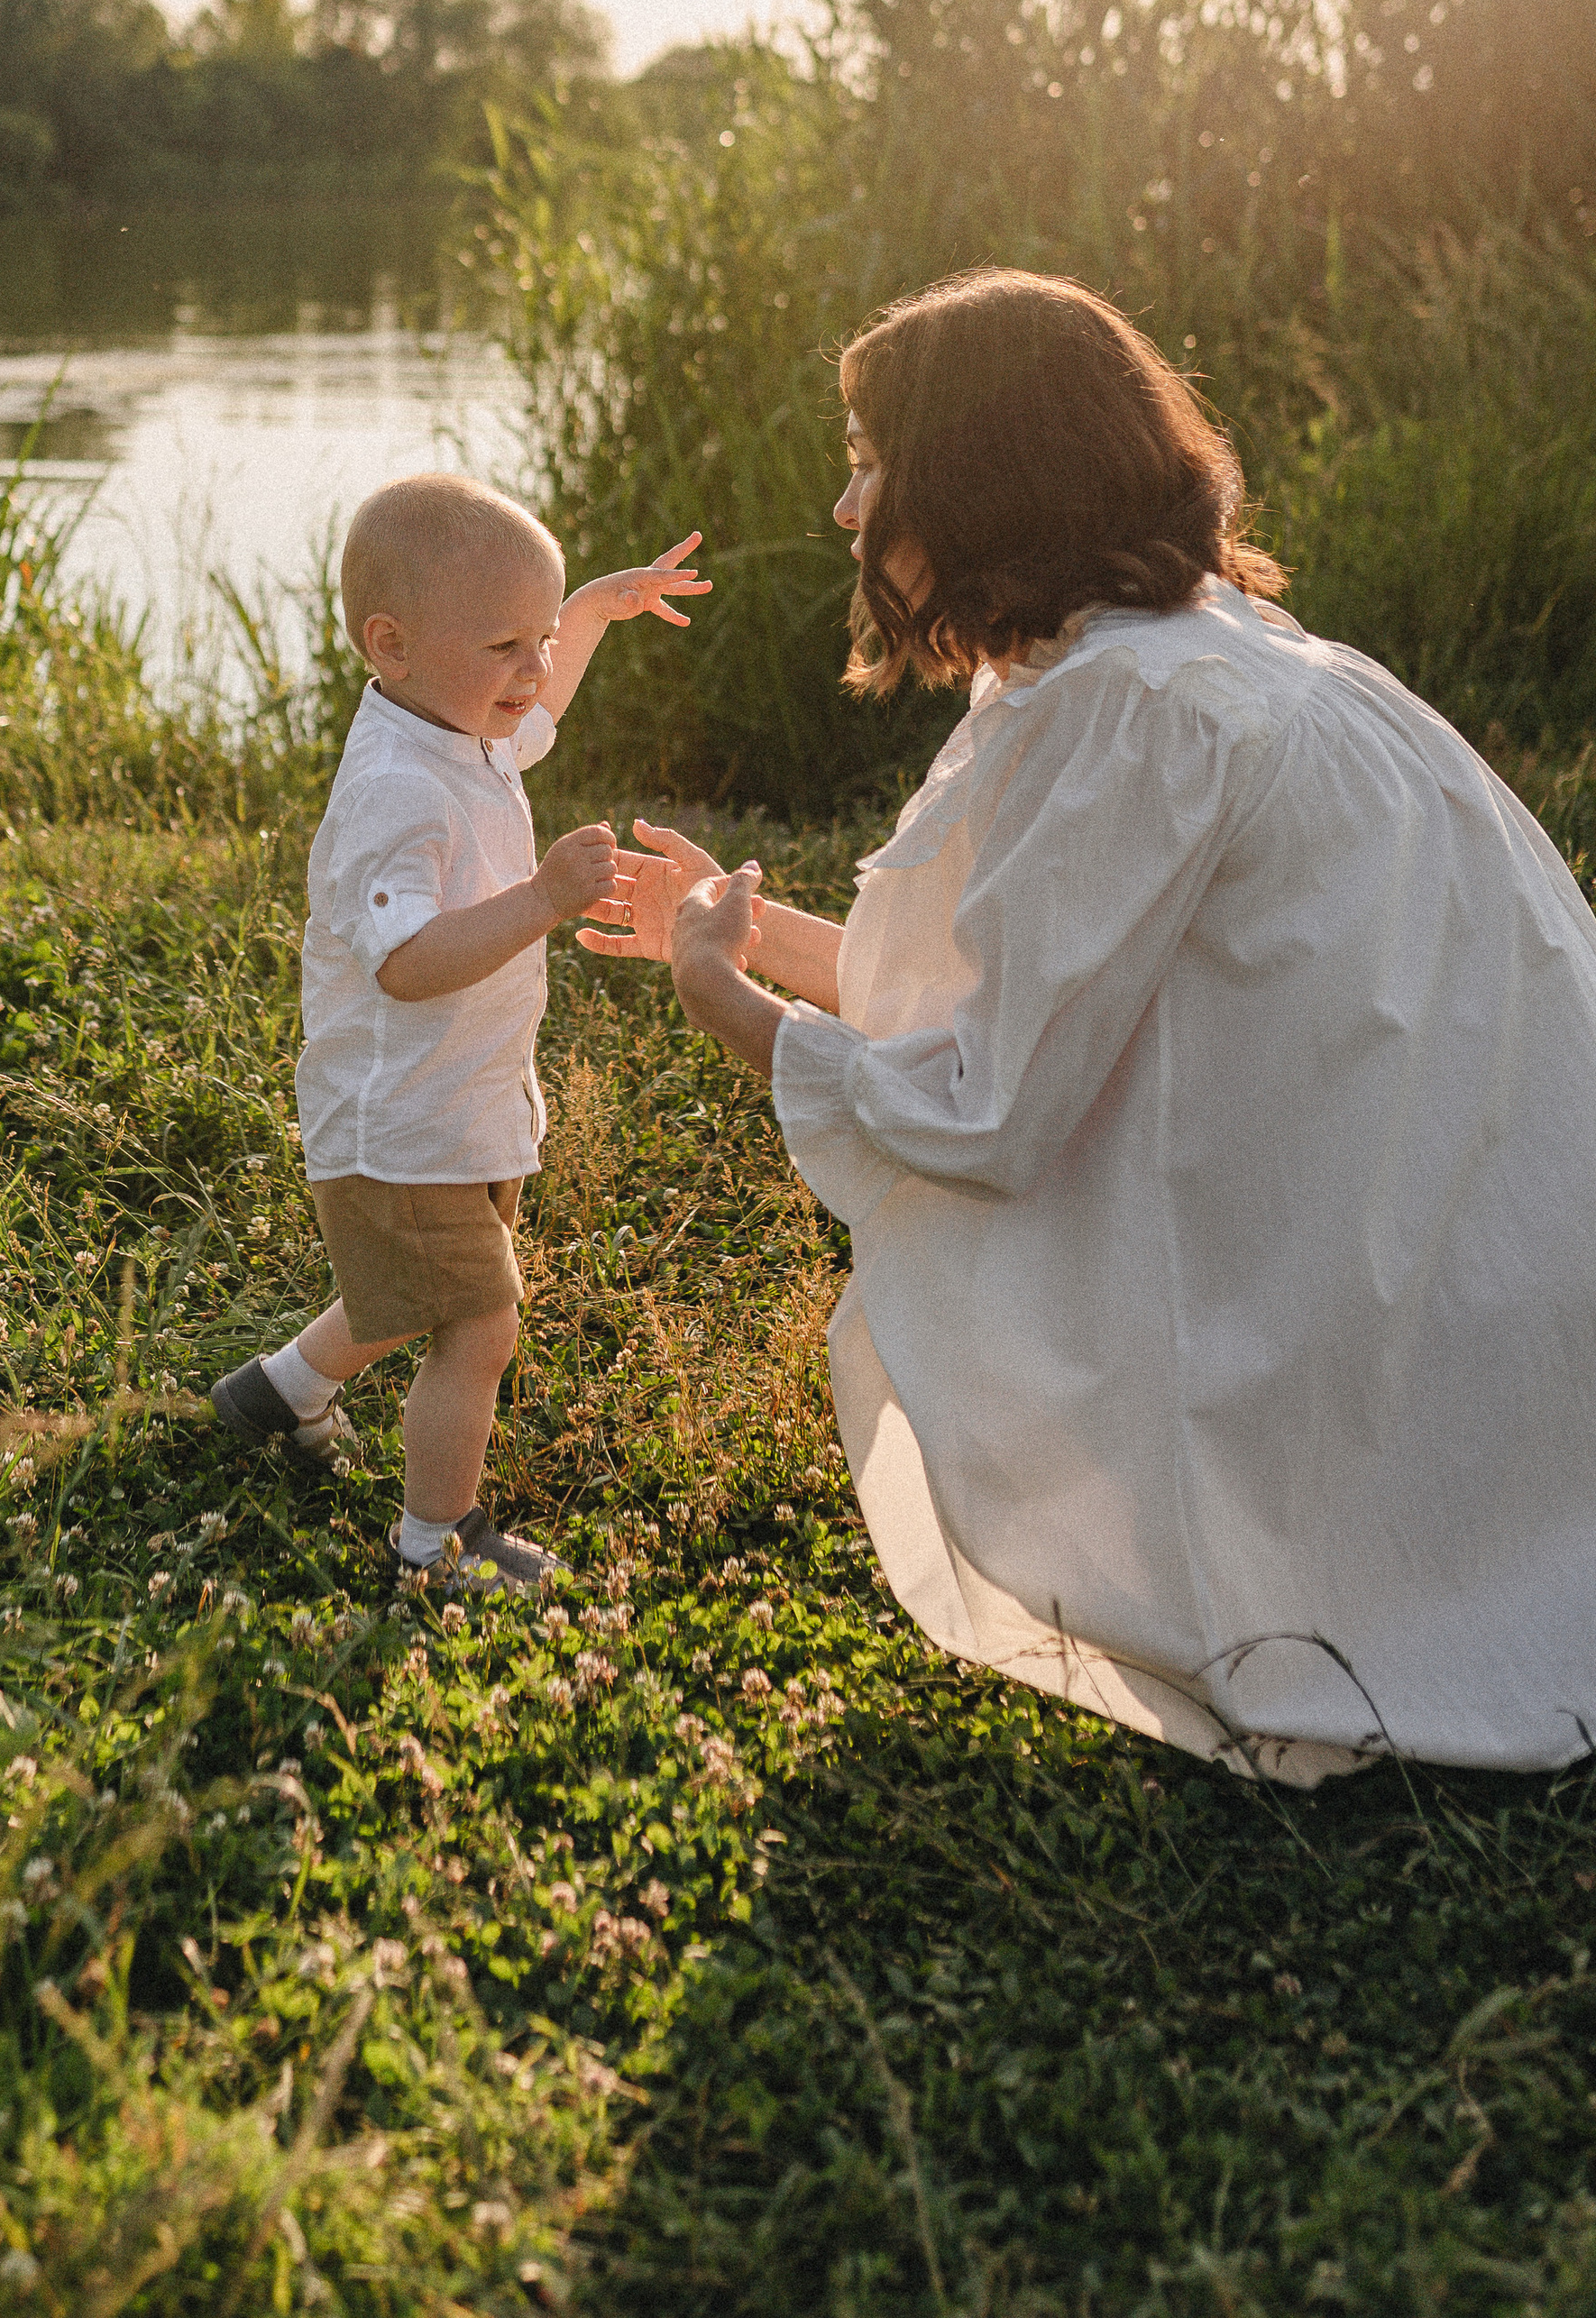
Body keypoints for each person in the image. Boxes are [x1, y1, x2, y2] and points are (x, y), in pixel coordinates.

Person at [585, 268, 1596, 1782]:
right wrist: (757, 933)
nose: (848, 505)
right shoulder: (1197, 648)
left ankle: (1350, 1554)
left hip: (1392, 1269)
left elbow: (996, 1112)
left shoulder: (1131, 706)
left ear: (980, 477)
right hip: (1477, 1218)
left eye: (874, 460)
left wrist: (725, 998)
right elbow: (1038, 992)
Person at [210, 474, 709, 1595]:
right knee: (477, 1324)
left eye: (537, 643)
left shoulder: (451, 723)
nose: (531, 678)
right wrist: (538, 900)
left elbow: (530, 722)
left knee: (418, 1292)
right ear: (389, 645)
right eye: (506, 648)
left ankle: (276, 1395)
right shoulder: (397, 788)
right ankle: (437, 1547)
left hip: (462, 1107)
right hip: (400, 1124)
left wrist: (586, 612)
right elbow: (404, 964)